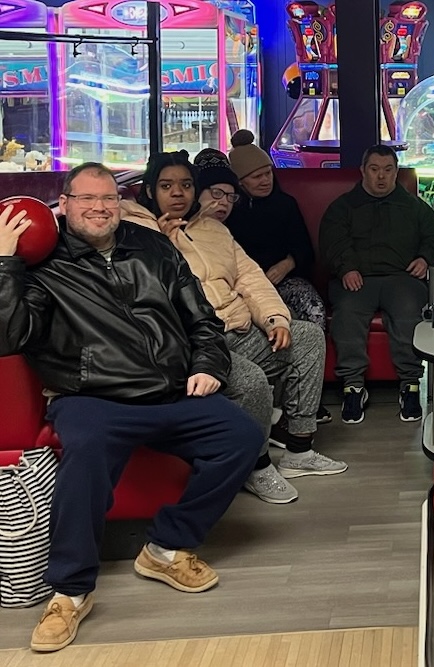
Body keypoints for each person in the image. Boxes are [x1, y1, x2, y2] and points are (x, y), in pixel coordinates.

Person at [0, 162, 260, 652]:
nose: (99, 208)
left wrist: (208, 364)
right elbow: (8, 336)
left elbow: (202, 318)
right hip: (91, 397)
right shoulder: (42, 263)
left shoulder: (153, 246)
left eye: (108, 199)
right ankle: (70, 592)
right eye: (87, 198)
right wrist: (5, 263)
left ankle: (166, 546)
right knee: (85, 454)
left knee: (242, 437)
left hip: (168, 390)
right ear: (64, 204)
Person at [121, 151, 346, 503]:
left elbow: (250, 278)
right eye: (167, 186)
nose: (178, 193)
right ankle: (256, 465)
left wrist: (275, 318)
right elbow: (140, 294)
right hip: (194, 343)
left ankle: (299, 450)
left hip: (238, 329)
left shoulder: (213, 229)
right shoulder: (133, 232)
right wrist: (161, 244)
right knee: (251, 381)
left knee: (307, 337)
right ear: (150, 190)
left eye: (185, 185)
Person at [318, 144, 434, 424]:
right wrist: (346, 268)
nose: (381, 176)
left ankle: (410, 384)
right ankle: (353, 386)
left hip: (401, 278)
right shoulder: (343, 206)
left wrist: (425, 258)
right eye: (375, 169)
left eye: (388, 170)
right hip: (357, 278)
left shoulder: (413, 206)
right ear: (363, 171)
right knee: (347, 314)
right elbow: (332, 242)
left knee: (408, 312)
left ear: (396, 172)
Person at [225, 131, 328, 328]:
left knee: (314, 309)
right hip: (242, 284)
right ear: (240, 182)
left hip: (285, 280)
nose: (265, 181)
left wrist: (287, 264)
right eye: (257, 177)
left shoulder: (286, 204)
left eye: (268, 173)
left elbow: (305, 249)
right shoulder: (229, 210)